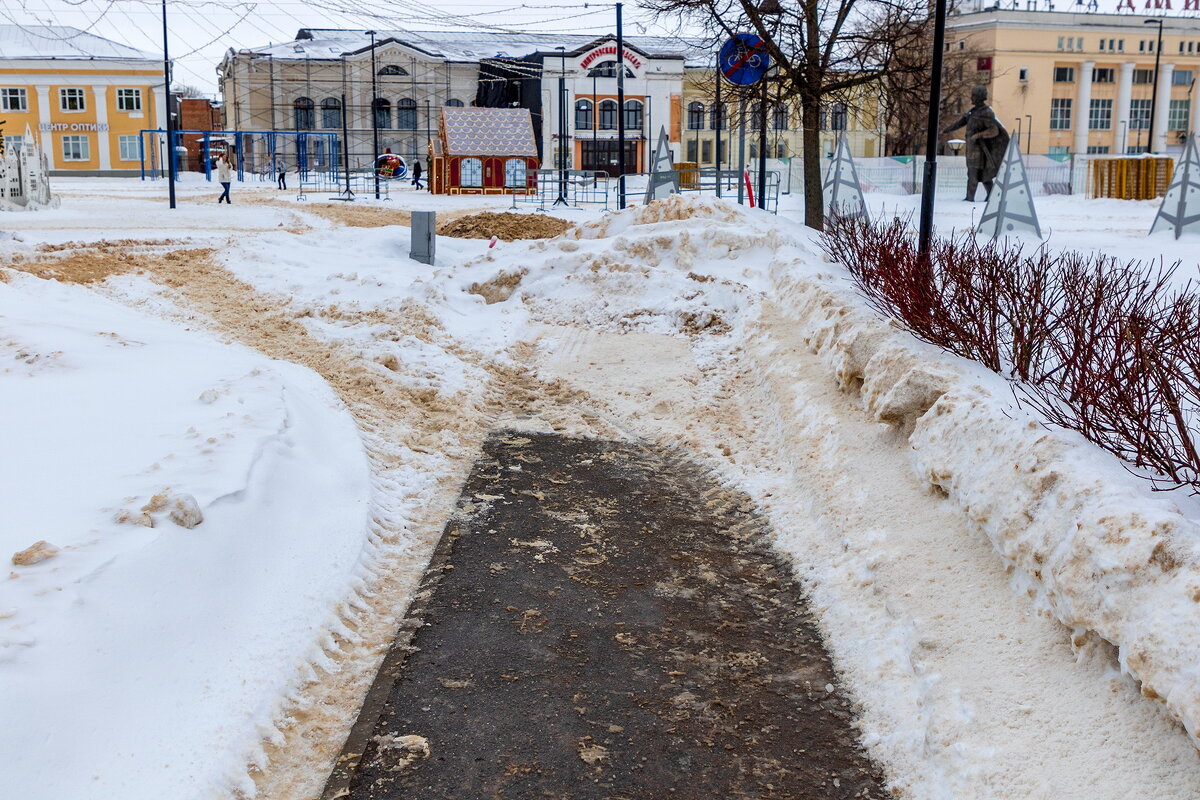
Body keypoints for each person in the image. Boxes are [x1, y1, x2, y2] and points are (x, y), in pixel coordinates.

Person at [942, 86, 1010, 202]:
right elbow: (960, 123)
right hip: (972, 149)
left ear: (979, 97)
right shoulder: (972, 112)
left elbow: (993, 130)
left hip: (980, 150)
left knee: (975, 174)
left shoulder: (986, 112)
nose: (971, 98)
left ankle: (970, 198)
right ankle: (990, 196)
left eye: (973, 96)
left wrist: (978, 135)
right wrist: (946, 130)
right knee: (982, 175)